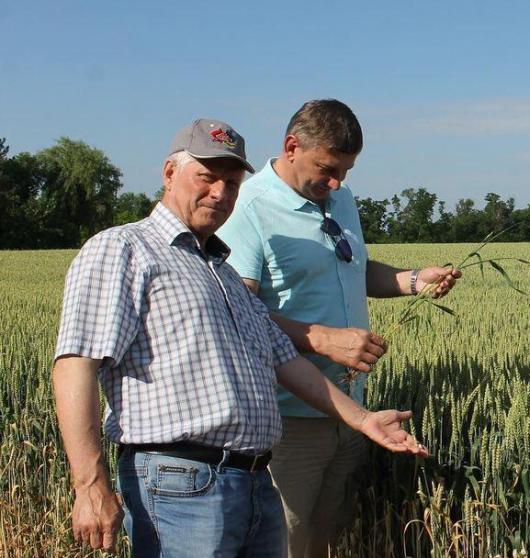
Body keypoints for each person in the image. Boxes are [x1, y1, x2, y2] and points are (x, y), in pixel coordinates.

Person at [52, 118, 427, 557]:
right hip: (180, 480)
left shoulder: (223, 273)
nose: (220, 192)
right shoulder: (123, 249)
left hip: (251, 480)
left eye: (231, 182)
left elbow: (284, 360)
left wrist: (362, 419)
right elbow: (76, 363)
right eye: (207, 177)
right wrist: (90, 483)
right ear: (169, 174)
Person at [217, 99, 459, 557]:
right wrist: (322, 339)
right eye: (327, 170)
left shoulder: (337, 197)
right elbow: (236, 310)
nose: (337, 183)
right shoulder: (249, 207)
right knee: (284, 541)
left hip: (351, 412)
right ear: (291, 147)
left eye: (345, 172)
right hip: (288, 419)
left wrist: (412, 281)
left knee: (326, 540)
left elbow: (355, 270)